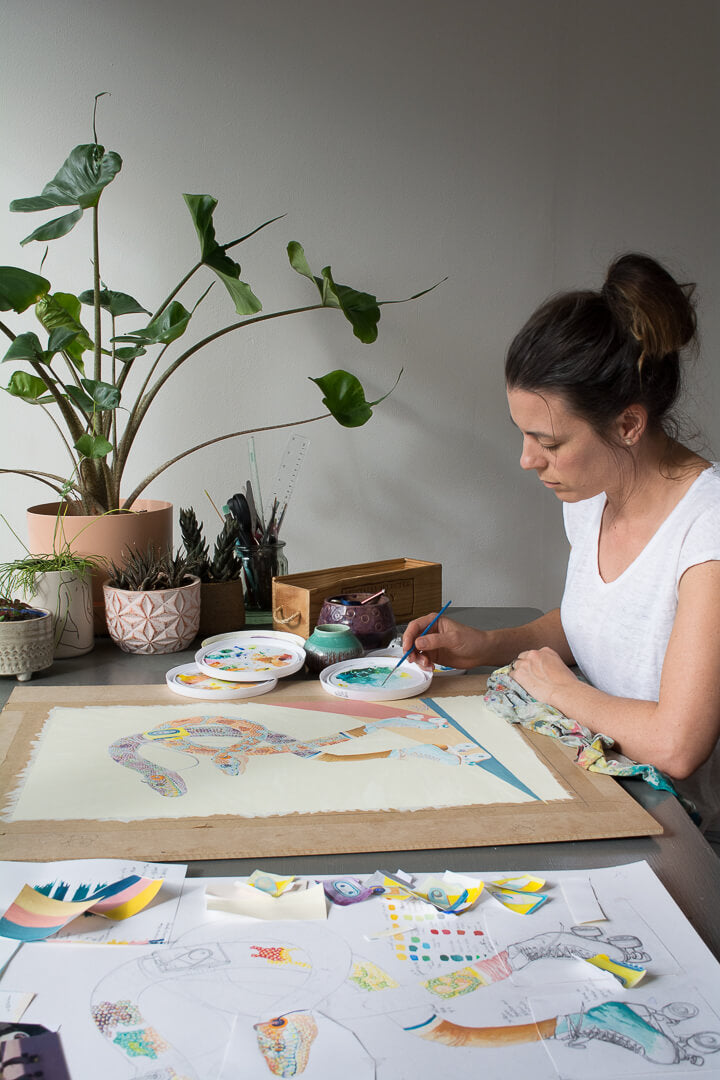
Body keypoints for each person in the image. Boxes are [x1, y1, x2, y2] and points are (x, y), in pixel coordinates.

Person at [402, 253, 720, 835]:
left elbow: (677, 745)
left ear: (628, 425)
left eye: (546, 441)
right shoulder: (590, 495)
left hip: (686, 829)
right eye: (523, 434)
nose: (527, 460)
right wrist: (488, 645)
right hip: (608, 785)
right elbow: (598, 628)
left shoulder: (707, 533)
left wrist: (560, 690)